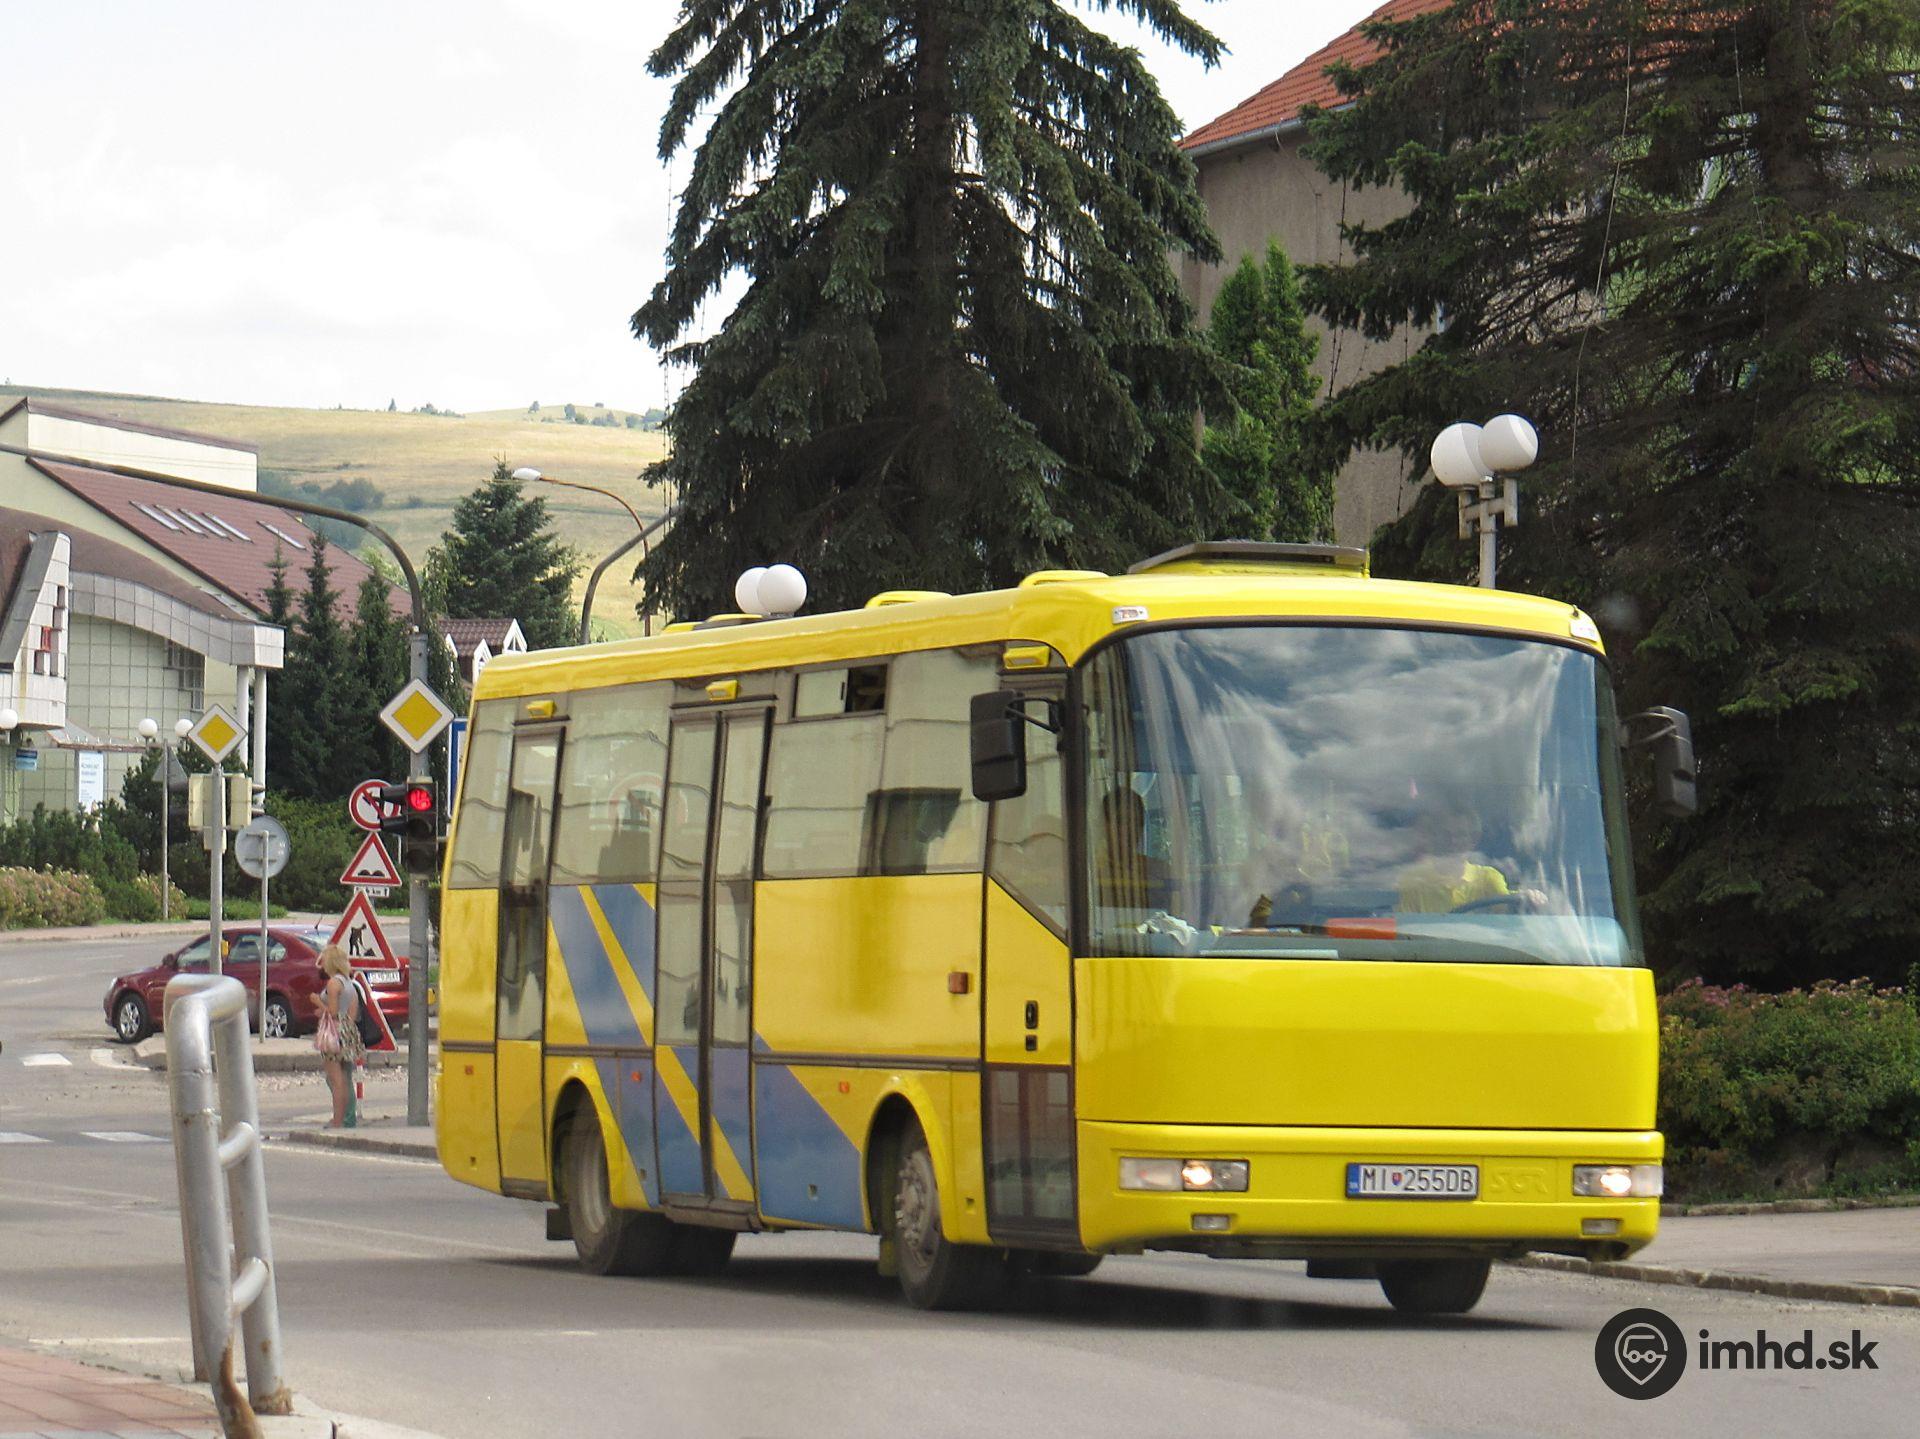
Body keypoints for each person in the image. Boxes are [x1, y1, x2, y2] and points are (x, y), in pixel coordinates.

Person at [314, 944, 366, 1128]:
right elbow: (352, 1012)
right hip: (348, 1031)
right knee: (345, 1078)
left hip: (333, 1034)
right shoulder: (350, 983)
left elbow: (333, 1011)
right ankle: (347, 1119)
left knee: (335, 1080)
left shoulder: (333, 983)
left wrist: (318, 1002)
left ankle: (337, 1121)